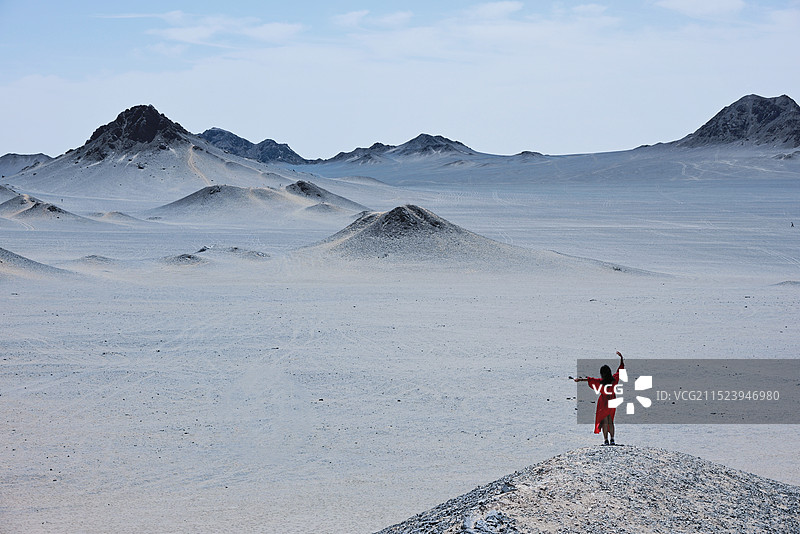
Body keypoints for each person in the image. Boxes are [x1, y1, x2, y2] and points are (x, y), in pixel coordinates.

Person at [574, 351, 624, 445]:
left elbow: (590, 379)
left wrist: (580, 379)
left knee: (605, 421)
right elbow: (620, 369)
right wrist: (621, 358)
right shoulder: (614, 379)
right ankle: (612, 439)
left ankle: (605, 440)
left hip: (604, 402)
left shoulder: (600, 382)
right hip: (613, 402)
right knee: (610, 421)